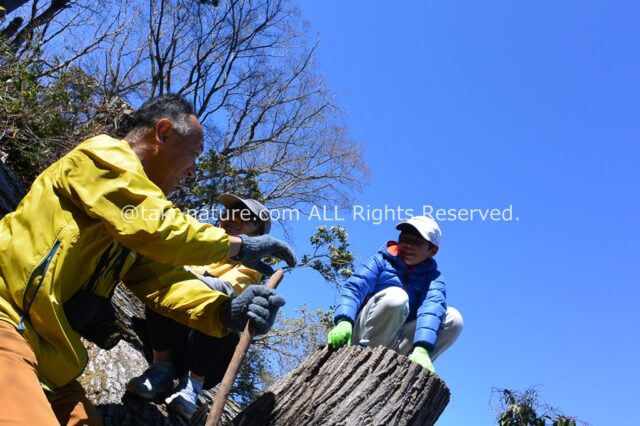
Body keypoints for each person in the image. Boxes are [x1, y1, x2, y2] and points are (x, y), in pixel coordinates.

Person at [0, 95, 296, 425]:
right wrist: (240, 246)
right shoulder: (102, 156)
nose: (192, 173)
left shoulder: (131, 225)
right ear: (163, 132)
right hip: (8, 322)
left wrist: (226, 313)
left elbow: (163, 281)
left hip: (53, 365)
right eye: (194, 155)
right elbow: (155, 226)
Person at [126, 193, 275, 420]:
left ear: (258, 236)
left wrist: (179, 276)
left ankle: (192, 385)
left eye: (246, 217)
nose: (234, 218)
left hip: (205, 355)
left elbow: (228, 290)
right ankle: (161, 368)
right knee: (167, 288)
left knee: (225, 308)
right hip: (164, 340)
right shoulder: (202, 244)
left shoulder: (250, 268)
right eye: (231, 212)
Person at [327, 215, 462, 373]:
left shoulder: (433, 279)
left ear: (433, 250)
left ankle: (409, 369)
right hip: (364, 334)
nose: (408, 245)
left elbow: (431, 309)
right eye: (405, 239)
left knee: (454, 319)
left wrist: (422, 348)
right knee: (397, 296)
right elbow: (354, 288)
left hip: (396, 342)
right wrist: (344, 321)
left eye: (417, 242)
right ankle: (365, 357)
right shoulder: (380, 261)